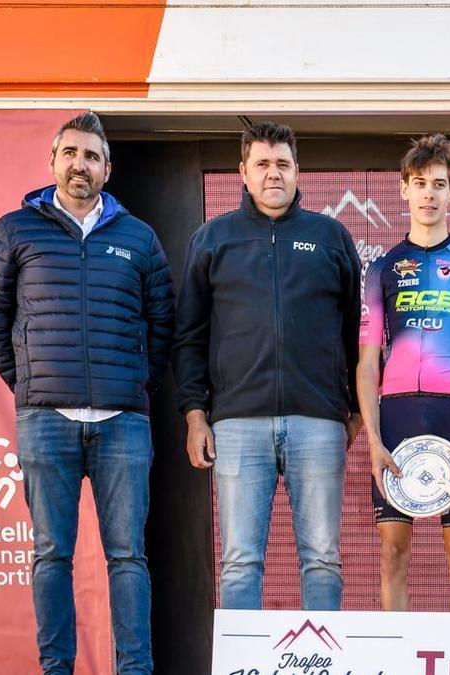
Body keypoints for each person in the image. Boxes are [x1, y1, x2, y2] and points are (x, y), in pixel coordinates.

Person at [0, 112, 174, 674]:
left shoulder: (139, 238)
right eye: (71, 153)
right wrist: (29, 381)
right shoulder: (16, 230)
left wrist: (135, 384)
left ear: (107, 168)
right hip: (46, 420)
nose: (80, 164)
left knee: (128, 558)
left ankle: (134, 669)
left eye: (91, 156)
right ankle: (55, 668)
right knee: (51, 556)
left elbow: (162, 324)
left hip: (123, 423)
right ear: (53, 161)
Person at [173, 121, 363, 611]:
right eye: (262, 164)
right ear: (243, 171)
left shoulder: (331, 237)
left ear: (298, 171)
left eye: (282, 164)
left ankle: (322, 664)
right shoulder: (213, 239)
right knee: (239, 563)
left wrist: (357, 411)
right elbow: (190, 335)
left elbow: (355, 336)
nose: (272, 174)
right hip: (237, 423)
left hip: (318, 422)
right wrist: (196, 414)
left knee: (322, 558)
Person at [358, 134, 450, 610]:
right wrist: (374, 440)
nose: (429, 194)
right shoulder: (380, 270)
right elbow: (366, 361)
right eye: (420, 184)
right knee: (393, 553)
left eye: (439, 184)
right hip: (395, 417)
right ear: (404, 189)